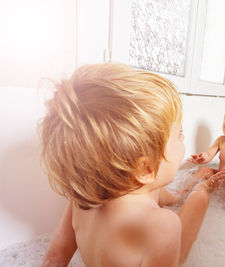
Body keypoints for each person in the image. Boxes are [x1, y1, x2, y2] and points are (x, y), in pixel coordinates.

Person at [40, 63, 214, 267]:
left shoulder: (80, 201)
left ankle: (183, 193)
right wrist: (198, 191)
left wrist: (176, 196)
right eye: (180, 134)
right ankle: (200, 190)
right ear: (146, 169)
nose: (183, 140)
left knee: (162, 194)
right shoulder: (163, 225)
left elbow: (54, 259)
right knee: (199, 198)